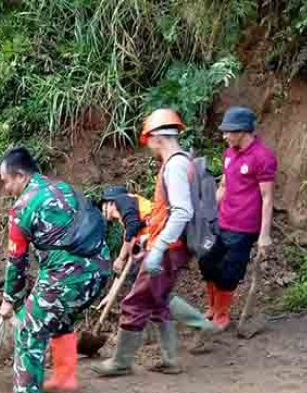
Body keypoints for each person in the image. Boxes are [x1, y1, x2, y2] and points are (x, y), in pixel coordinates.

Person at [0, 147, 110, 393]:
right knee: (60, 317)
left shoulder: (22, 208)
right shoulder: (64, 188)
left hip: (68, 276)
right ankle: (64, 379)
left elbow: (17, 262)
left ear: (20, 176)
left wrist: (9, 301)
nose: (6, 188)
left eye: (6, 181)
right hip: (100, 270)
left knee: (27, 326)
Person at [94, 109, 193, 377]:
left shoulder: (174, 166)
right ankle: (170, 359)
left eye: (148, 140)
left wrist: (158, 248)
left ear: (157, 137)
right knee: (158, 302)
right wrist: (152, 238)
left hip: (166, 249)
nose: (148, 146)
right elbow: (166, 213)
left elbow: (182, 212)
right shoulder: (179, 162)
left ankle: (121, 362)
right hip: (168, 245)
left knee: (134, 302)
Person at [198, 106, 277, 329]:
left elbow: (267, 197)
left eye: (228, 131)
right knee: (206, 261)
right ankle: (213, 306)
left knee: (229, 271)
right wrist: (206, 212)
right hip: (222, 221)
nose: (224, 136)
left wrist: (264, 236)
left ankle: (222, 314)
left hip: (243, 227)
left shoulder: (263, 157)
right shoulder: (229, 154)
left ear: (242, 131)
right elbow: (224, 186)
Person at [101, 185, 152, 275]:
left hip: (158, 235)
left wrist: (121, 258)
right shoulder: (127, 216)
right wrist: (122, 258)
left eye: (104, 205)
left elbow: (132, 228)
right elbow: (132, 231)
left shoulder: (122, 200)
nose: (102, 211)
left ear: (111, 202)